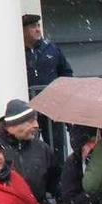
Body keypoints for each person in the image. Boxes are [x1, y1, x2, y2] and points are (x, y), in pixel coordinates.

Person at [23, 13, 72, 160]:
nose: (38, 29)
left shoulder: (51, 49)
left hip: (52, 107)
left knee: (57, 147)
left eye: (38, 26)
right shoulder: (15, 51)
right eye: (33, 27)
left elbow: (66, 73)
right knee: (31, 147)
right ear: (23, 30)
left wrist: (63, 96)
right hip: (28, 109)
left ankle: (59, 178)